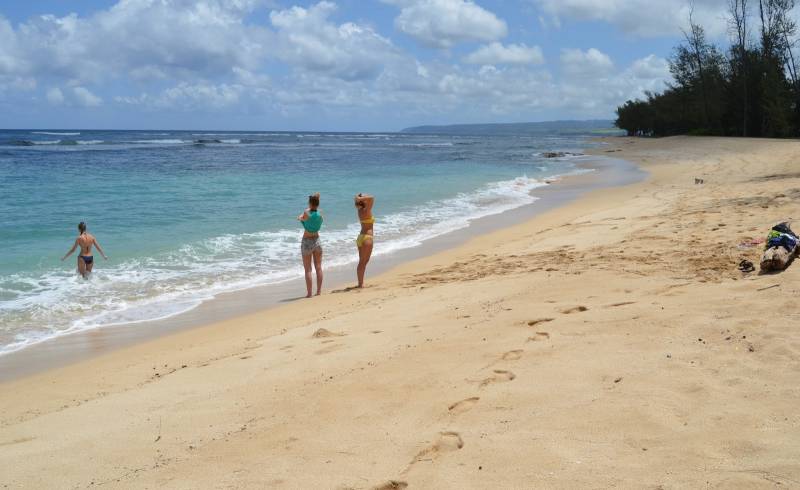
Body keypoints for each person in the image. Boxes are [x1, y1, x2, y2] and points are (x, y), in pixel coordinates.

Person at [298, 193, 323, 297]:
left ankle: (309, 293)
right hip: (317, 240)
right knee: (318, 267)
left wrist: (300, 218)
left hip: (307, 241)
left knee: (308, 269)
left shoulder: (306, 213)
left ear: (309, 203)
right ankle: (318, 291)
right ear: (318, 204)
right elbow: (314, 213)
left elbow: (302, 218)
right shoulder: (320, 215)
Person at [354, 193, 374, 288]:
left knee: (362, 262)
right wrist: (361, 197)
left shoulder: (360, 210)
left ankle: (360, 283)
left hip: (361, 237)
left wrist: (359, 198)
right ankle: (360, 284)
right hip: (367, 237)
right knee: (364, 262)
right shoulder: (366, 210)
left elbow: (369, 199)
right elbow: (372, 198)